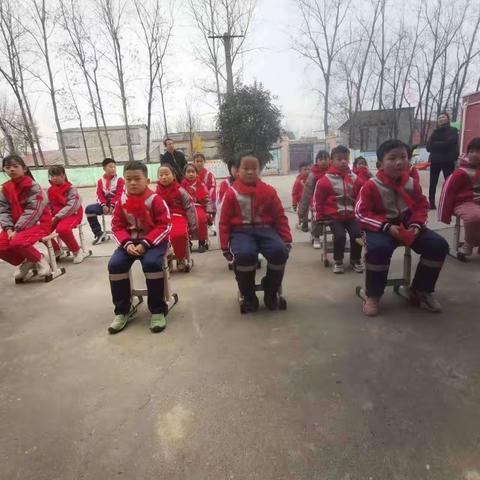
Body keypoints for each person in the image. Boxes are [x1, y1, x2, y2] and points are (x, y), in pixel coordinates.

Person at [356, 139, 449, 317]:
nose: (399, 162)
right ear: (379, 164)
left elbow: (422, 206)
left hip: (407, 225)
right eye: (392, 158)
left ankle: (421, 290)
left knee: (438, 245)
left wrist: (416, 225)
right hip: (380, 227)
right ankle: (373, 295)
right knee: (379, 249)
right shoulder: (370, 186)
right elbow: (361, 213)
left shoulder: (412, 183)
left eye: (403, 157)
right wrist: (386, 227)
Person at [219, 152, 292, 312]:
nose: (250, 172)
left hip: (266, 231)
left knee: (280, 252)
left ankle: (271, 291)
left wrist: (286, 239)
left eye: (254, 168)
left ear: (259, 170)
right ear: (237, 171)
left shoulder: (269, 192)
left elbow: (280, 216)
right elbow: (224, 222)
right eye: (246, 168)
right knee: (244, 255)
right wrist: (225, 245)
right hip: (241, 233)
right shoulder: (231, 194)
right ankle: (249, 295)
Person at [107, 160, 172, 334]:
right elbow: (116, 226)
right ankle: (123, 310)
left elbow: (164, 225)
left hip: (154, 242)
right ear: (124, 181)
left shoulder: (155, 200)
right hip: (128, 243)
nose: (133, 183)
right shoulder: (121, 201)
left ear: (147, 180)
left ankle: (158, 310)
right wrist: (126, 244)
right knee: (115, 265)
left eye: (137, 178)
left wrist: (146, 244)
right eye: (128, 179)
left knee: (152, 264)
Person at [0, 154, 52, 280]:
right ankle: (27, 260)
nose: (11, 169)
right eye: (8, 167)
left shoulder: (33, 187)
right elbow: (3, 211)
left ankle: (40, 259)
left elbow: (33, 211)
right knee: (1, 245)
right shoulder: (5, 189)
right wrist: (8, 228)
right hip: (15, 227)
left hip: (39, 224)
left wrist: (17, 229)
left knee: (18, 241)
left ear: (24, 169)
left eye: (15, 166)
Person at [313, 145, 363, 274]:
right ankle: (338, 260)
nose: (343, 161)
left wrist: (361, 213)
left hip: (352, 216)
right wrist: (319, 218)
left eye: (346, 158)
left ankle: (355, 259)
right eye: (339, 159)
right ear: (332, 161)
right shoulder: (325, 180)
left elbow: (361, 196)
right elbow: (318, 201)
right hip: (334, 217)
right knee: (340, 235)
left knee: (357, 234)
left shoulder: (355, 179)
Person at [439, 137, 480, 255]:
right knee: (475, 217)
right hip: (464, 202)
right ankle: (468, 244)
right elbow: (448, 190)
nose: (474, 154)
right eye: (471, 151)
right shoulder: (461, 172)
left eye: (478, 151)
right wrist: (444, 214)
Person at [156, 164, 197, 270]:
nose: (164, 177)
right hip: (162, 218)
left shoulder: (180, 190)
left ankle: (180, 258)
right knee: (160, 235)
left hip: (178, 217)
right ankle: (167, 258)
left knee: (179, 234)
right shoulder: (156, 193)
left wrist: (192, 225)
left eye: (166, 174)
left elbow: (189, 207)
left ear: (173, 176)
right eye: (161, 175)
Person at [47, 165, 85, 264]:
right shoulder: (50, 190)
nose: (54, 178)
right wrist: (48, 217)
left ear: (63, 176)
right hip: (56, 215)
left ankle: (76, 251)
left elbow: (72, 206)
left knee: (62, 229)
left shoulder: (71, 189)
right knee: (41, 230)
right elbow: (48, 206)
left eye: (56, 175)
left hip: (72, 214)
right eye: (52, 176)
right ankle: (57, 250)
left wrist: (57, 217)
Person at [85, 158, 124, 245]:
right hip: (105, 205)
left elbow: (119, 195)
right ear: (104, 168)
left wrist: (113, 205)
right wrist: (103, 205)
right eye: (110, 167)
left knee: (128, 209)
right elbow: (99, 194)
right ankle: (99, 233)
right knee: (89, 209)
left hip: (118, 205)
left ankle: (124, 233)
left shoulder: (120, 180)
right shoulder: (100, 181)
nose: (113, 169)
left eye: (114, 167)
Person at [298, 150, 330, 248]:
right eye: (321, 159)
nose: (323, 161)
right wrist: (302, 211)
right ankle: (316, 237)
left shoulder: (333, 172)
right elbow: (307, 193)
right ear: (316, 161)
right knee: (317, 217)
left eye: (326, 159)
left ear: (330, 160)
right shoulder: (312, 175)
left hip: (331, 202)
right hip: (317, 202)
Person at [426, 112, 459, 209]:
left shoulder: (453, 130)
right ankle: (431, 203)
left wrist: (435, 145)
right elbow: (428, 147)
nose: (441, 119)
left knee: (449, 183)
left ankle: (450, 203)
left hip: (448, 160)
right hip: (435, 161)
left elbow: (450, 143)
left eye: (443, 117)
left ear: (448, 119)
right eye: (439, 117)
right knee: (433, 183)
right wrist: (442, 144)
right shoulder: (434, 132)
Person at [181, 163, 212, 253]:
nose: (191, 174)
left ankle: (201, 242)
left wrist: (209, 211)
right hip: (186, 208)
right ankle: (188, 243)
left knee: (201, 219)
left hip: (199, 207)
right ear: (184, 174)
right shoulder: (181, 186)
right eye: (188, 172)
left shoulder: (201, 185)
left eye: (193, 172)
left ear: (196, 173)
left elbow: (207, 198)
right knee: (184, 220)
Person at [193, 152, 217, 233]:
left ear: (204, 162)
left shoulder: (209, 175)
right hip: (195, 201)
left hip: (207, 199)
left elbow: (213, 187)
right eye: (197, 161)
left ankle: (210, 222)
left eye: (201, 161)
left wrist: (207, 197)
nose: (199, 163)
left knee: (212, 208)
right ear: (194, 162)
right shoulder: (191, 174)